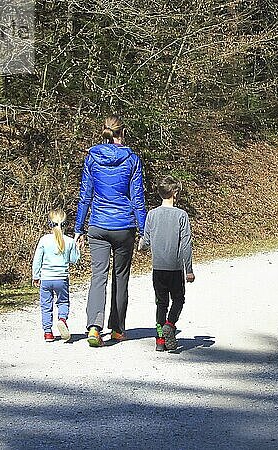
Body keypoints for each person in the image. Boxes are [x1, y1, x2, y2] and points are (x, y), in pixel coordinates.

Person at [75, 115, 147, 347]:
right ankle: (117, 330)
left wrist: (78, 228)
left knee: (98, 276)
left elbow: (85, 195)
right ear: (122, 132)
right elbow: (137, 198)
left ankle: (94, 328)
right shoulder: (132, 159)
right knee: (121, 277)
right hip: (124, 226)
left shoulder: (92, 158)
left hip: (97, 225)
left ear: (103, 131)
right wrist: (143, 228)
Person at [140, 175, 195, 351]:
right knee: (178, 299)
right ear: (175, 193)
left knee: (160, 303)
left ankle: (159, 340)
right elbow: (186, 244)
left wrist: (141, 245)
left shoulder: (152, 214)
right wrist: (189, 270)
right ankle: (170, 325)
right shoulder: (181, 215)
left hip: (158, 268)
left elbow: (145, 242)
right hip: (175, 267)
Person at [32, 209, 80, 342]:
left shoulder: (44, 240)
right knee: (63, 301)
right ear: (65, 224)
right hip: (61, 279)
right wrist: (78, 248)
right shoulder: (69, 241)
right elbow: (74, 260)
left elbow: (37, 260)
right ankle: (62, 319)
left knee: (46, 305)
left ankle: (48, 332)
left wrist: (36, 276)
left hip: (46, 278)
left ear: (49, 223)